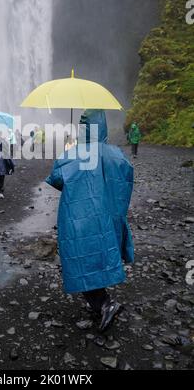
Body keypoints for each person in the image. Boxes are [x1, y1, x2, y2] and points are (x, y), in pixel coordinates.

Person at [46, 110, 134, 332]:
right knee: (99, 253)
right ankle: (102, 303)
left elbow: (56, 180)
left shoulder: (73, 155)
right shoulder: (116, 154)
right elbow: (125, 181)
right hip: (107, 216)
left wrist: (69, 152)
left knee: (80, 259)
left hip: (80, 217)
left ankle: (105, 304)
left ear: (83, 129)